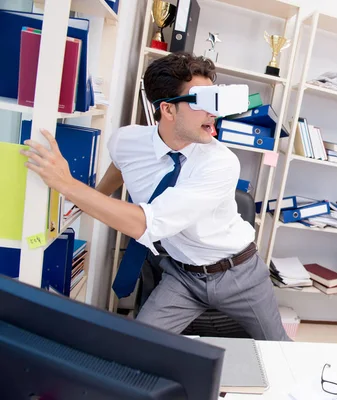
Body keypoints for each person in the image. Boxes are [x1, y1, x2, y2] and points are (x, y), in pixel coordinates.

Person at [21, 52, 289, 341]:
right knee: (139, 348)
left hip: (239, 273)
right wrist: (89, 199)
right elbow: (121, 164)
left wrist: (68, 185)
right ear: (168, 110)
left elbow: (147, 224)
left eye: (215, 101)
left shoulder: (220, 162)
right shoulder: (127, 139)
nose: (214, 113)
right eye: (202, 102)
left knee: (279, 352)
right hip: (183, 276)